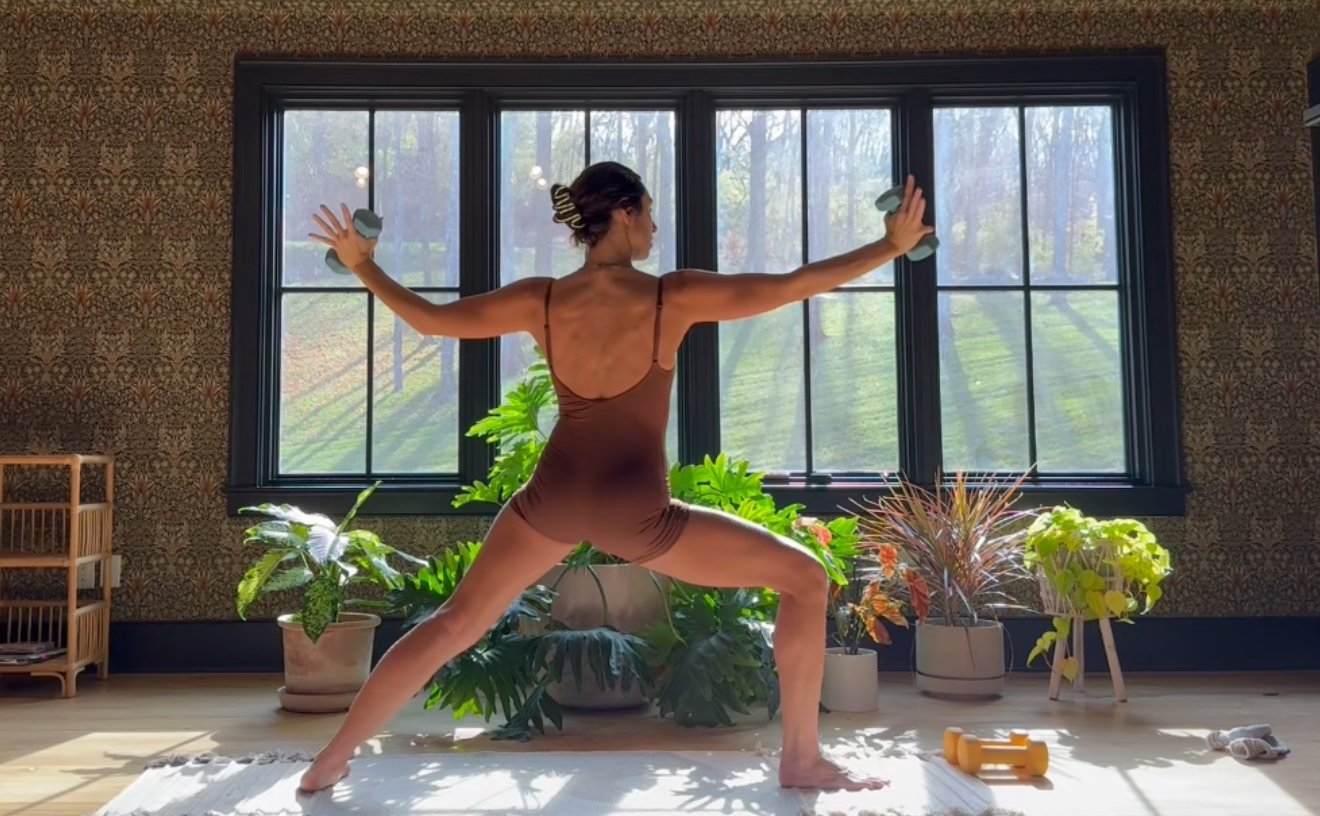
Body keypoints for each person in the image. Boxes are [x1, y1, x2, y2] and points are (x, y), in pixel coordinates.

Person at [302, 162, 934, 793]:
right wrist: (889, 246)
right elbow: (794, 284)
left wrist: (362, 264)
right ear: (625, 212)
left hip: (550, 498)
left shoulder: (541, 299)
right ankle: (800, 757)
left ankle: (332, 758)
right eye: (650, 213)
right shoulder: (670, 296)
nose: (654, 228)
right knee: (805, 577)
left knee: (455, 623)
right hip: (634, 510)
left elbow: (431, 320)